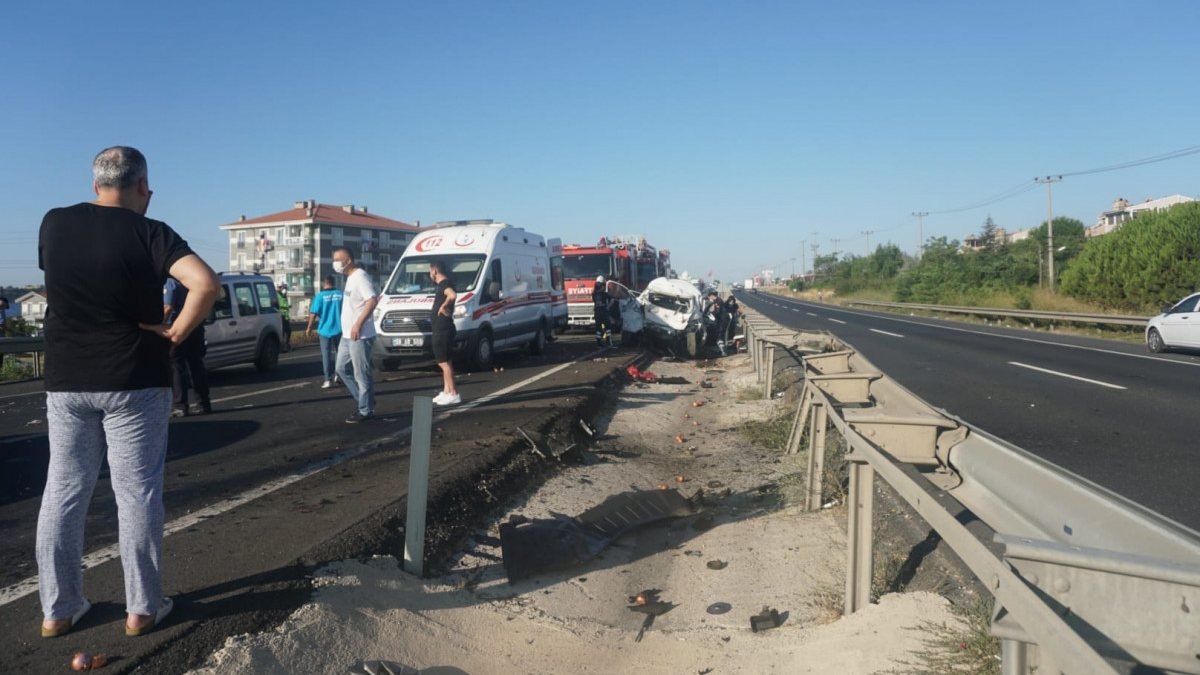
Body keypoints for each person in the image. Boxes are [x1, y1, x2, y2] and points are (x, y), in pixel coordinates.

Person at [36, 146, 219, 639]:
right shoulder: (151, 231)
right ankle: (142, 608)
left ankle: (59, 609)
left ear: (95, 183)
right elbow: (204, 284)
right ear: (143, 186)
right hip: (134, 377)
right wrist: (176, 332)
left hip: (67, 378)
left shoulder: (53, 223)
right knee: (136, 493)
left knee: (63, 489)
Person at [332, 247, 379, 423]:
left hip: (360, 335)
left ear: (348, 260)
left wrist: (358, 324)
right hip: (347, 335)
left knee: (361, 373)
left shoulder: (360, 277)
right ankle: (365, 401)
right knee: (341, 369)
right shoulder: (350, 279)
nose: (334, 263)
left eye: (337, 259)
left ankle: (365, 410)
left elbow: (372, 300)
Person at [163, 277, 212, 416]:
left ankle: (180, 406)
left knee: (177, 367)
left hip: (178, 327)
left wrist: (158, 325)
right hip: (195, 326)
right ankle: (204, 403)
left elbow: (167, 307)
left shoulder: (171, 282)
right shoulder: (192, 281)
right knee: (196, 365)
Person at [429, 261, 461, 406]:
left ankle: (453, 393)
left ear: (434, 271)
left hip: (442, 329)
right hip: (441, 328)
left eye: (430, 271)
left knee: (443, 362)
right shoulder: (444, 284)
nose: (430, 274)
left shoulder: (444, 284)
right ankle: (447, 390)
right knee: (445, 361)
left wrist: (445, 304)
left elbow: (452, 295)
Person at [305, 276, 344, 389]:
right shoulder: (341, 295)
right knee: (340, 353)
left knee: (326, 355)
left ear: (324, 284)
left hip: (324, 330)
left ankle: (327, 379)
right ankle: (338, 375)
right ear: (333, 282)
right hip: (339, 328)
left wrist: (309, 328)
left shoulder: (320, 296)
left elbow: (313, 313)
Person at [593, 275, 613, 347]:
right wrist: (608, 306)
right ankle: (608, 341)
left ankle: (599, 342)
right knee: (608, 326)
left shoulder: (594, 294)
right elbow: (612, 299)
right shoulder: (604, 294)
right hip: (604, 312)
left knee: (598, 328)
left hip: (597, 312)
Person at [276, 282, 291, 352]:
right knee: (283, 331)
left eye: (285, 288)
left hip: (286, 316)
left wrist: (288, 306)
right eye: (283, 288)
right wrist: (286, 307)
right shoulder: (277, 294)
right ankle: (282, 347)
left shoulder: (284, 295)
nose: (285, 289)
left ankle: (286, 345)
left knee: (288, 331)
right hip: (281, 316)